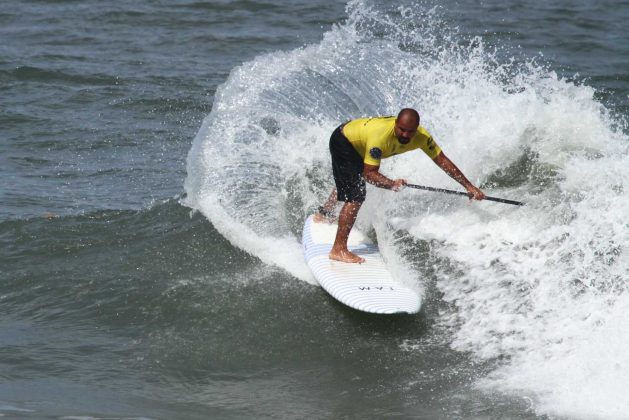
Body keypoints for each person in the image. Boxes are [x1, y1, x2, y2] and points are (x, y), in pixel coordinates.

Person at [315, 108, 485, 264]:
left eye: (410, 132)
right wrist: (392, 184)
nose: (405, 135)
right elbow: (369, 174)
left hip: (359, 140)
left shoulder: (422, 137)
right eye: (401, 129)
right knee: (356, 195)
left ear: (417, 129)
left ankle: (324, 213)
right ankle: (338, 249)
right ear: (396, 124)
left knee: (350, 179)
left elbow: (442, 160)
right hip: (344, 140)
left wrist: (468, 186)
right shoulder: (380, 135)